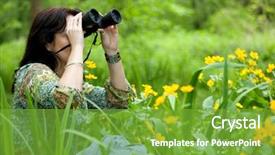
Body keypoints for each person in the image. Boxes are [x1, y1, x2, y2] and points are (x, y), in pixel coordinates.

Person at [12, 8, 135, 109]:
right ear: (47, 42)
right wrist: (77, 46)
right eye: (69, 35)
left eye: (80, 35)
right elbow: (67, 99)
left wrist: (112, 51)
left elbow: (121, 101)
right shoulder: (30, 74)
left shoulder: (73, 83)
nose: (78, 39)